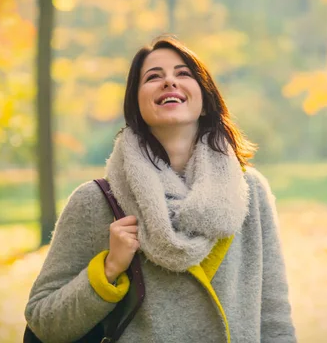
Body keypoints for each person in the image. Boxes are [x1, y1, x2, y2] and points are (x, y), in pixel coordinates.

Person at [24, 36, 297, 343]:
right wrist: (109, 269)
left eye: (183, 74)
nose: (169, 81)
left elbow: (274, 317)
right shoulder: (94, 201)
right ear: (136, 105)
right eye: (153, 77)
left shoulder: (249, 191)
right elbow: (43, 321)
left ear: (205, 100)